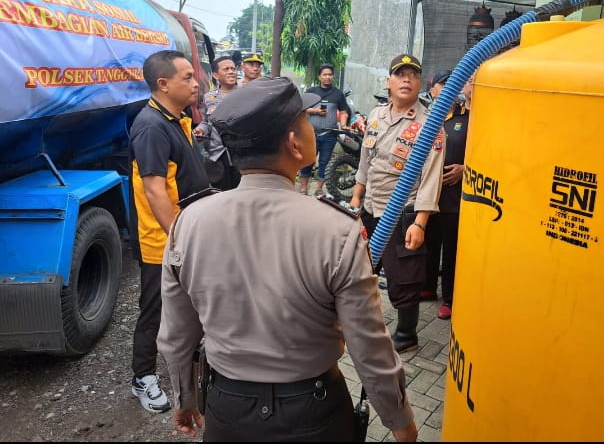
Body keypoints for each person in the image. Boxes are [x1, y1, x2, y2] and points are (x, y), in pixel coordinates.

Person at [157, 76, 417, 442]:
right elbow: (369, 347)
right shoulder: (336, 229)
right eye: (307, 121)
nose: (311, 128)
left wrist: (185, 399)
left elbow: (176, 335)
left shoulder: (189, 222)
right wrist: (400, 421)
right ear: (294, 143)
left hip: (227, 410)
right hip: (314, 413)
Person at [128, 49, 211, 413]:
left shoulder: (176, 119)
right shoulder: (151, 126)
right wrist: (178, 240)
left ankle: (188, 364)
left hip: (184, 234)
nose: (196, 84)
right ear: (163, 84)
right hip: (162, 241)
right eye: (187, 78)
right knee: (154, 309)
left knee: (187, 306)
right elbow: (154, 190)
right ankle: (142, 377)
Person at [349, 54, 445, 353]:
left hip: (403, 213)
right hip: (371, 209)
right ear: (388, 81)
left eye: (413, 75)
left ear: (420, 83)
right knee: (361, 267)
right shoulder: (377, 115)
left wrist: (420, 222)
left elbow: (431, 178)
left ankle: (406, 334)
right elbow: (367, 159)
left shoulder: (430, 125)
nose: (406, 79)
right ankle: (361, 321)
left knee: (405, 277)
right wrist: (356, 196)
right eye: (399, 74)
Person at [421, 74, 472, 320]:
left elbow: (482, 150)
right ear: (432, 91)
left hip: (454, 195)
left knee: (451, 249)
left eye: (455, 82)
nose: (451, 86)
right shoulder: (426, 118)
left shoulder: (468, 117)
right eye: (444, 83)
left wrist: (465, 168)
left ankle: (450, 298)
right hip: (430, 193)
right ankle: (428, 287)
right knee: (430, 243)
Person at [298, 63, 351, 195]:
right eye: (325, 74)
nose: (327, 77)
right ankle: (304, 188)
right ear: (319, 76)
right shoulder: (311, 92)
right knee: (307, 161)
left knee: (324, 162)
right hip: (311, 134)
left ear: (332, 76)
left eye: (330, 74)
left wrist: (343, 125)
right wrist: (315, 110)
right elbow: (302, 108)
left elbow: (343, 111)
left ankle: (318, 189)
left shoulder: (338, 94)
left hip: (329, 134)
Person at [193, 56, 241, 191]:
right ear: (215, 75)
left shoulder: (245, 94)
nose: (231, 72)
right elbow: (206, 122)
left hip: (241, 153)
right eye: (226, 69)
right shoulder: (209, 98)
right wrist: (200, 130)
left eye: (233, 68)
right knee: (221, 192)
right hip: (218, 154)